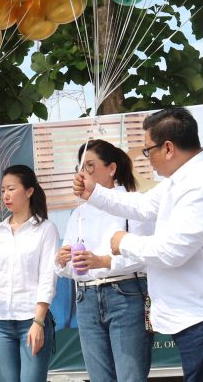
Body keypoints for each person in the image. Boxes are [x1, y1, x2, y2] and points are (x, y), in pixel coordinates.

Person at [73, 107, 203, 382]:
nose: (149, 160)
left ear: (169, 148)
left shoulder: (202, 185)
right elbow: (144, 204)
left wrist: (123, 242)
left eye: (149, 151)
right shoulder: (184, 180)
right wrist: (95, 193)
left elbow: (171, 251)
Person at [55, 140, 153, 382]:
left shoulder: (132, 203)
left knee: (130, 376)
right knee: (99, 377)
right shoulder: (78, 213)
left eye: (90, 166)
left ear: (111, 169)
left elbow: (145, 254)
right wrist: (61, 261)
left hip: (125, 293)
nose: (83, 174)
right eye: (80, 167)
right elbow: (70, 269)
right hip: (86, 298)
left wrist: (103, 261)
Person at [0, 165, 59, 382]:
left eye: (11, 189)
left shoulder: (46, 229)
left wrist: (38, 322)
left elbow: (48, 278)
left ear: (29, 191)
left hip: (32, 319)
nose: (6, 195)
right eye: (2, 190)